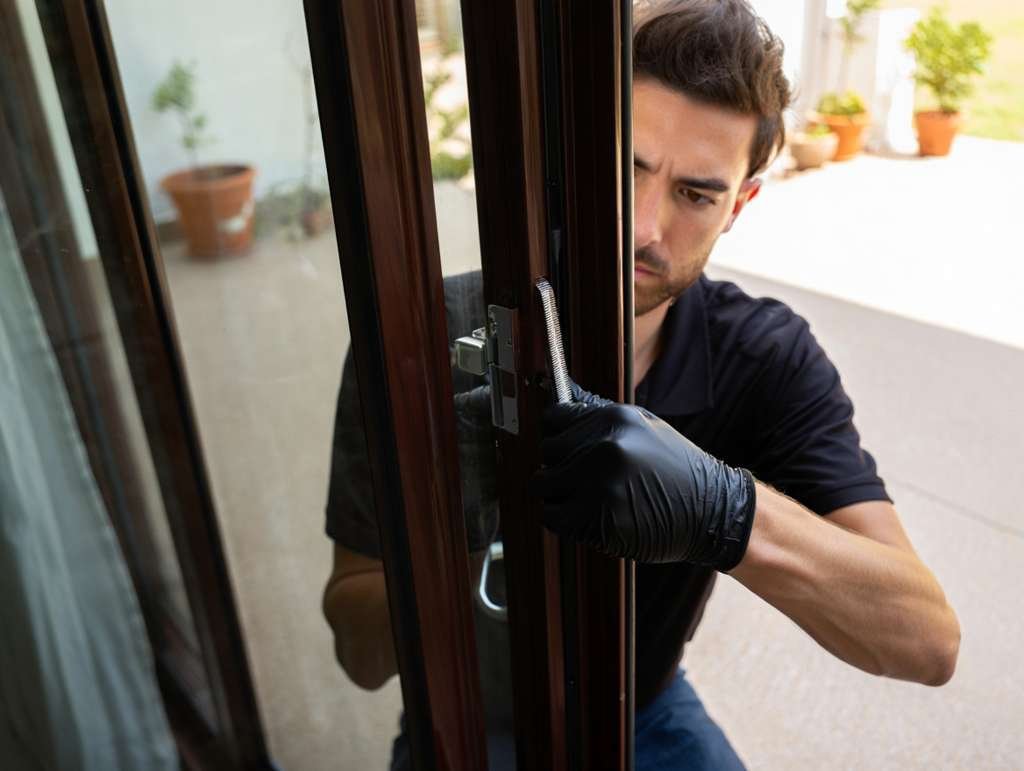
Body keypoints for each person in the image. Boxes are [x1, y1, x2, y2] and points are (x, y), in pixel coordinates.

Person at [322, 1, 961, 768]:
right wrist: (444, 524)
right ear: (573, 157)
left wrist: (722, 511)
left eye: (696, 194)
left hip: (643, 706)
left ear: (740, 205)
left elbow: (928, 641)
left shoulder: (762, 357)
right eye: (626, 169)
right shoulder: (424, 336)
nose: (642, 228)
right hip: (467, 707)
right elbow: (359, 657)